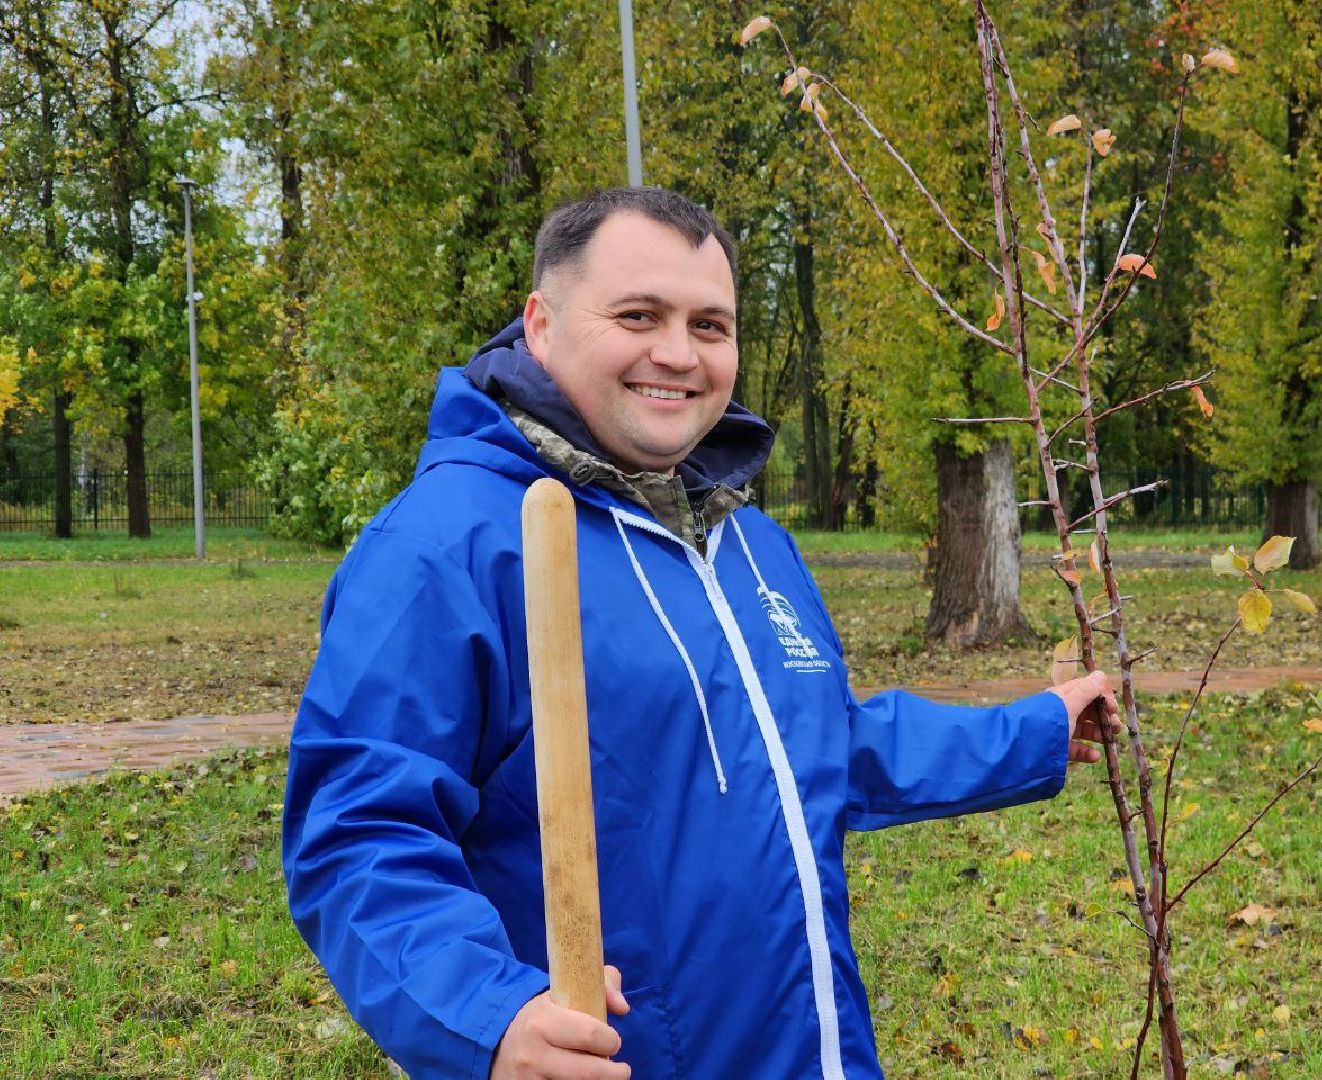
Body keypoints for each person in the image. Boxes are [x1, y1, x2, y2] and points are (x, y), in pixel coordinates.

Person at [282, 186, 1119, 1080]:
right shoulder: (442, 546)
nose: (679, 354)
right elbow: (358, 834)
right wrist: (490, 1017)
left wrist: (1031, 731)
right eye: (638, 316)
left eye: (710, 325)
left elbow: (821, 747)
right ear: (541, 325)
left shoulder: (748, 540)